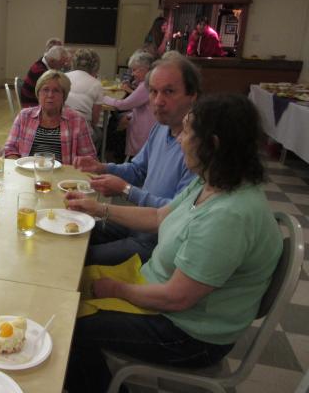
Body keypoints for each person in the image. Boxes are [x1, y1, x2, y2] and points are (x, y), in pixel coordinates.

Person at [64, 93, 282, 392]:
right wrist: (99, 209)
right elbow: (158, 216)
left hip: (188, 334)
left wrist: (116, 289)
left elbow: (176, 298)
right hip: (162, 294)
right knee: (69, 288)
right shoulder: (211, 180)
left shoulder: (229, 216)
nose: (179, 138)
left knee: (68, 328)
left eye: (188, 131)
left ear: (213, 144)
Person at [74, 52, 199, 265]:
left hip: (157, 241)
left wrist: (126, 190)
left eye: (169, 91)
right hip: (136, 222)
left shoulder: (198, 148)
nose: (158, 101)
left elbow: (176, 212)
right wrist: (102, 167)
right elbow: (138, 169)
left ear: (192, 95)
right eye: (153, 92)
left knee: (77, 259)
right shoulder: (161, 128)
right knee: (69, 232)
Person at [5, 70, 96, 164]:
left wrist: (80, 164)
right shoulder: (24, 116)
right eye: (45, 90)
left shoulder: (77, 120)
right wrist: (19, 165)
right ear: (38, 93)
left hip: (62, 172)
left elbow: (90, 158)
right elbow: (9, 148)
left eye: (56, 91)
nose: (50, 95)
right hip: (29, 170)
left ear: (63, 96)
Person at [101, 50, 156, 157]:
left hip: (144, 129)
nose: (132, 74)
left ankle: (109, 154)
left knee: (114, 124)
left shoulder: (145, 85)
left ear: (144, 69)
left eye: (134, 70)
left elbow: (123, 105)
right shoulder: (147, 82)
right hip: (145, 123)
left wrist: (103, 97)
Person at [64, 48, 104, 145]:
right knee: (99, 134)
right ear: (95, 65)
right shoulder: (96, 84)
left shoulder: (63, 77)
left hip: (59, 125)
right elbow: (95, 119)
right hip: (80, 129)